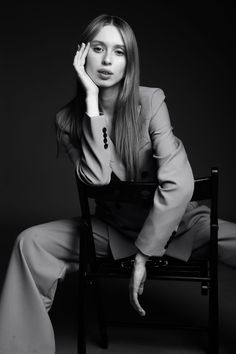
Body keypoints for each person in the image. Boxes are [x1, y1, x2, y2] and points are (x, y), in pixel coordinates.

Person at [0, 13, 235, 354]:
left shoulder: (150, 101)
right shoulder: (67, 121)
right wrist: (93, 106)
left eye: (119, 51)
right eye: (98, 48)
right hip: (113, 235)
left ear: (130, 61)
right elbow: (96, 178)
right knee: (30, 243)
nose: (108, 60)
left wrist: (143, 256)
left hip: (178, 228)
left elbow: (180, 184)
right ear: (82, 55)